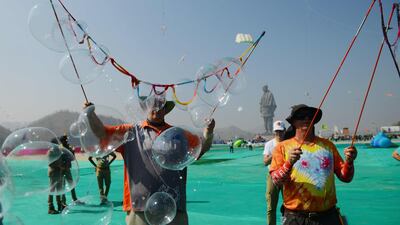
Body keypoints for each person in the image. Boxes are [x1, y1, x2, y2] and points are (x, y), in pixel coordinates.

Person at [84, 99, 215, 225]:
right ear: (146, 108)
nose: (156, 109)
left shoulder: (179, 134)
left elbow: (201, 147)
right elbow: (102, 133)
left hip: (174, 206)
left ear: (165, 110)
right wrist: (90, 115)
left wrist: (208, 132)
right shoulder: (130, 131)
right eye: (152, 105)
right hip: (139, 207)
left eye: (160, 105)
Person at [270, 104, 357, 225]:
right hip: (296, 218)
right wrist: (289, 163)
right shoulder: (282, 147)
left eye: (310, 116)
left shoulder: (329, 146)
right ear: (294, 122)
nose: (306, 119)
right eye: (301, 116)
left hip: (328, 217)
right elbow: (277, 181)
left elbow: (346, 177)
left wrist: (349, 161)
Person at [263, 120, 286, 225]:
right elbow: (265, 162)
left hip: (287, 177)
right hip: (272, 176)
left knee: (289, 205)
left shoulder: (289, 143)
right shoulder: (269, 144)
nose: (279, 134)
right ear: (274, 132)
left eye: (281, 131)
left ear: (284, 131)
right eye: (277, 131)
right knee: (271, 207)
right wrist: (275, 152)